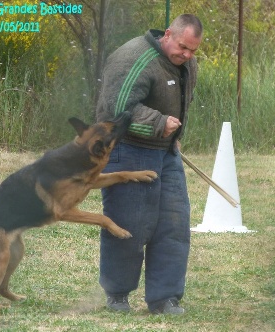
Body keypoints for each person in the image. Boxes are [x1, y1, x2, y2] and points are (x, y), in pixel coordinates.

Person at [96, 14, 203, 314]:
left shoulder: (187, 64)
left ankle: (164, 297)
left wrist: (174, 135)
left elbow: (182, 101)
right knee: (128, 224)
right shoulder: (132, 58)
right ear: (168, 34)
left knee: (173, 224)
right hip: (127, 149)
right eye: (183, 47)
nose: (187, 55)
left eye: (193, 50)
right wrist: (158, 122)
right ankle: (117, 294)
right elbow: (116, 110)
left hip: (165, 152)